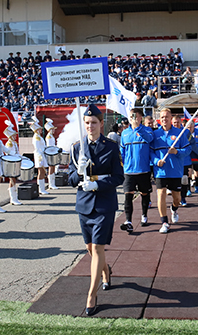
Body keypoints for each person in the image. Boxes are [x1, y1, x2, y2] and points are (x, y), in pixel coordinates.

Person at [68, 104, 124, 316]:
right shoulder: (76, 148)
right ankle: (106, 271)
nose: (90, 126)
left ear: (101, 124)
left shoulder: (110, 147)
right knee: (91, 249)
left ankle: (91, 295)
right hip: (84, 204)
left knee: (98, 248)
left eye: (94, 123)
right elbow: (71, 179)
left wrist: (98, 184)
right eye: (87, 123)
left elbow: (119, 177)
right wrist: (80, 171)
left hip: (104, 203)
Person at [150, 108, 189, 234]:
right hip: (160, 171)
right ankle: (164, 222)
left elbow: (188, 150)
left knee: (177, 198)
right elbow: (150, 152)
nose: (164, 119)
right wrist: (156, 161)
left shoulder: (180, 133)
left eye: (166, 117)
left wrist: (177, 152)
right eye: (162, 117)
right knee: (160, 194)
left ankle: (174, 209)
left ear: (170, 118)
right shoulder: (155, 134)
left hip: (175, 171)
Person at [119, 108, 154, 231]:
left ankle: (144, 215)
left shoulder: (147, 130)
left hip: (143, 170)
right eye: (130, 116)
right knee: (128, 196)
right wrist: (124, 164)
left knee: (144, 194)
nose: (132, 118)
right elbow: (122, 151)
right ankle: (128, 221)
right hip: (129, 171)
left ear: (140, 118)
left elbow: (149, 140)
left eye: (134, 116)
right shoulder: (125, 133)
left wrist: (138, 128)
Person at [3, 119, 23, 206]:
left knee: (14, 180)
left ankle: (14, 197)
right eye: (14, 135)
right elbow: (9, 155)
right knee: (12, 180)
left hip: (15, 162)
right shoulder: (9, 144)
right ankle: (13, 198)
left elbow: (16, 153)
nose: (15, 136)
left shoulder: (14, 143)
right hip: (11, 164)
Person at [31, 116, 49, 195]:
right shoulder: (36, 138)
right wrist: (40, 158)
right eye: (40, 129)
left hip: (41, 154)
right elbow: (38, 148)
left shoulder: (39, 137)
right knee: (40, 172)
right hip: (39, 155)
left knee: (42, 172)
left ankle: (42, 188)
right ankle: (41, 189)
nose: (41, 130)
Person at [44, 118, 60, 190]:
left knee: (53, 168)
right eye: (52, 129)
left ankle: (52, 183)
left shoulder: (51, 136)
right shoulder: (49, 137)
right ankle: (51, 183)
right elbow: (50, 147)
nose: (54, 130)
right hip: (50, 154)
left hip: (52, 153)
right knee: (51, 168)